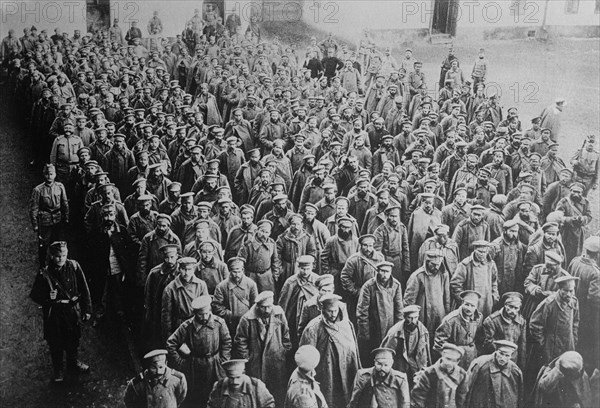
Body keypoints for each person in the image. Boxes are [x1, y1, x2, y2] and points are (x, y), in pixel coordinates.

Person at [30, 241, 92, 382]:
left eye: (64, 255)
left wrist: (87, 309)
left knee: (73, 339)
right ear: (51, 256)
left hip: (71, 312)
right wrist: (47, 297)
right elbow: (35, 295)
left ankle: (73, 362)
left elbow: (84, 288)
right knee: (56, 343)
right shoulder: (44, 273)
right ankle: (58, 370)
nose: (61, 258)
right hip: (55, 315)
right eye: (58, 256)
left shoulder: (74, 266)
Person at [166, 295, 231, 406]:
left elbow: (227, 342)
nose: (205, 317)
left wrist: (223, 361)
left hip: (215, 365)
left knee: (217, 395)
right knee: (197, 398)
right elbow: (171, 343)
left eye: (207, 313)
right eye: (201, 314)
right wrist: (181, 363)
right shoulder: (187, 326)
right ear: (195, 313)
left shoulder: (219, 323)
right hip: (195, 367)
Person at [299, 293, 361, 408]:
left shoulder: (347, 325)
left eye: (335, 310)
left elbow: (354, 352)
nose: (333, 314)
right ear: (322, 310)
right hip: (327, 373)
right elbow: (306, 357)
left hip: (346, 370)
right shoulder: (313, 328)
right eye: (329, 311)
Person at [233, 291, 292, 405]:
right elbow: (240, 341)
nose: (267, 310)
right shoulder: (247, 319)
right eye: (264, 307)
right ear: (258, 306)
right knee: (258, 393)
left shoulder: (278, 313)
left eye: (269, 306)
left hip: (277, 361)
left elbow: (286, 334)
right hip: (257, 364)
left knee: (277, 391)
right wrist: (248, 358)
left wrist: (283, 350)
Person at [356, 261, 403, 364]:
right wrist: (365, 333)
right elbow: (362, 311)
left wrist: (398, 330)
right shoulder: (369, 286)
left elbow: (399, 310)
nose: (385, 274)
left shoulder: (396, 285)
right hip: (373, 328)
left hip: (390, 328)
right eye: (382, 271)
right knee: (372, 357)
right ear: (377, 271)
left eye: (388, 272)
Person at [529, 274, 580, 366]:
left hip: (568, 344)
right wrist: (542, 344)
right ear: (559, 289)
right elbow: (535, 324)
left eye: (571, 291)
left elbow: (575, 321)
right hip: (551, 347)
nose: (569, 294)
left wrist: (574, 338)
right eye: (565, 290)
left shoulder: (574, 301)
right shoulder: (549, 303)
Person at [404, 249, 451, 342]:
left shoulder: (444, 274)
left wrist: (447, 312)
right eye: (433, 264)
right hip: (423, 315)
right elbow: (409, 300)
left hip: (440, 314)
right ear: (427, 262)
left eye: (438, 264)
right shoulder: (418, 276)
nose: (436, 267)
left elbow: (447, 296)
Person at [569, 236, 600, 373]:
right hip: (587, 313)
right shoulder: (595, 272)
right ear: (597, 254)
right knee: (587, 341)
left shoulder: (575, 261)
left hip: (571, 305)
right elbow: (594, 299)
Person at [381, 305, 431, 387]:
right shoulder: (394, 332)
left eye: (416, 317)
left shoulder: (423, 331)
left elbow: (425, 354)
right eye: (410, 318)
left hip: (416, 367)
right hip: (400, 367)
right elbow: (386, 354)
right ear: (404, 317)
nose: (413, 321)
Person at [29, 164, 69, 265]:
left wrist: (66, 217)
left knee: (58, 243)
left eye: (51, 174)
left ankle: (56, 263)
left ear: (55, 174)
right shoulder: (38, 190)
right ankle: (42, 265)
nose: (49, 176)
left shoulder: (60, 187)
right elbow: (33, 209)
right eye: (47, 174)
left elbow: (64, 203)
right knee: (44, 244)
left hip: (58, 219)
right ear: (44, 175)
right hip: (45, 221)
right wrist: (35, 225)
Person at [465, 340, 523, 408]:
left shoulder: (515, 371)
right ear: (496, 351)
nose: (503, 358)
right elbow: (466, 388)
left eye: (507, 355)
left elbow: (519, 397)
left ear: (511, 356)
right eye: (501, 354)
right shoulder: (480, 364)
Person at [434, 290, 483, 369]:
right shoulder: (451, 319)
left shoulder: (478, 317)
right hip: (455, 358)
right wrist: (450, 357)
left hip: (471, 356)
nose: (469, 308)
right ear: (462, 303)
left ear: (477, 306)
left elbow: (479, 337)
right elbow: (439, 342)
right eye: (466, 304)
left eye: (472, 305)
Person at [411, 343, 468, 408]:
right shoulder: (429, 374)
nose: (450, 363)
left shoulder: (462, 375)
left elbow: (462, 399)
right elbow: (418, 399)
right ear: (442, 356)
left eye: (454, 361)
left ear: (458, 362)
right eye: (448, 359)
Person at [450, 240, 499, 318]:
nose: (482, 254)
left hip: (487, 302)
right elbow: (455, 284)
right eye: (480, 251)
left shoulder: (491, 264)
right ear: (474, 250)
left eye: (484, 252)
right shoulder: (465, 264)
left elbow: (494, 281)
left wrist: (494, 297)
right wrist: (463, 300)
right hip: (470, 304)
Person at [213, 257, 258, 337]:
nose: (237, 275)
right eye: (234, 272)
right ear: (230, 271)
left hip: (248, 322)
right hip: (230, 323)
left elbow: (255, 304)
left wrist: (249, 317)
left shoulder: (251, 284)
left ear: (243, 270)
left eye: (239, 271)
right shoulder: (221, 286)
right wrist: (231, 315)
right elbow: (216, 306)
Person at [481, 292, 527, 368]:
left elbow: (522, 345)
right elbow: (488, 342)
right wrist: (503, 353)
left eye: (516, 308)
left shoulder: (521, 321)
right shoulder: (492, 321)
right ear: (505, 305)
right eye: (511, 307)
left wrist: (522, 365)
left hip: (513, 361)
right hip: (496, 360)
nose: (513, 310)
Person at [206, 359, 275, 407]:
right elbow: (211, 405)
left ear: (244, 373)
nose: (235, 382)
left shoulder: (256, 386)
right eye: (231, 378)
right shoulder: (219, 386)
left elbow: (269, 404)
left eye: (238, 377)